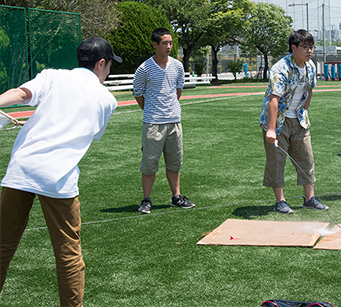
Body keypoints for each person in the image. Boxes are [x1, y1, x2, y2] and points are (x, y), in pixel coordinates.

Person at [0, 37, 121, 306]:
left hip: (22, 168)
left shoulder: (52, 76)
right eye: (109, 65)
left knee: (2, 245)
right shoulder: (107, 100)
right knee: (68, 254)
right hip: (58, 178)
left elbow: (20, 94)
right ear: (101, 63)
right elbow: (90, 132)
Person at [260, 29, 328, 214]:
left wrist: (305, 110)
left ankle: (309, 198)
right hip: (278, 121)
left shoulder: (311, 67)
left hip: (299, 121)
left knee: (306, 158)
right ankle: (280, 201)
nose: (309, 51)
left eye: (311, 47)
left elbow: (310, 89)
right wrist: (271, 129)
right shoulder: (280, 68)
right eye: (305, 47)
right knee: (277, 161)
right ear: (293, 48)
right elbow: (274, 99)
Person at [133, 28, 195, 214]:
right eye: (165, 43)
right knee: (149, 163)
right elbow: (138, 93)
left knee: (175, 162)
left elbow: (178, 90)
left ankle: (176, 197)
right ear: (155, 44)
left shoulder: (177, 66)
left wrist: (169, 110)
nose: (169, 47)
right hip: (153, 123)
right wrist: (152, 111)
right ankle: (146, 200)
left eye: (170, 43)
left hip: (174, 121)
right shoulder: (144, 69)